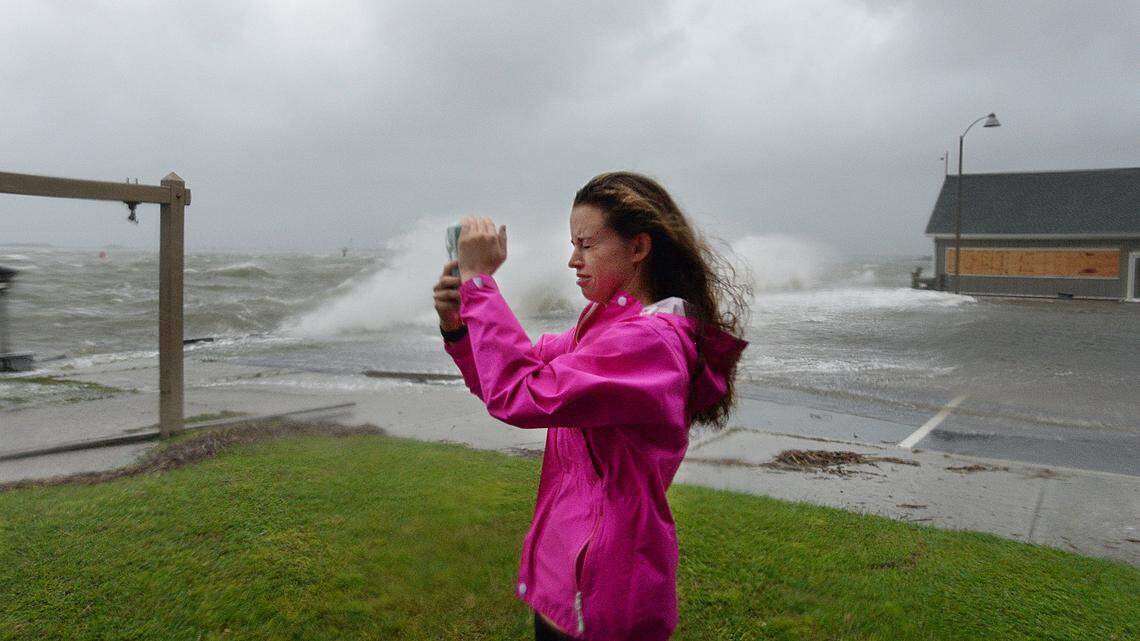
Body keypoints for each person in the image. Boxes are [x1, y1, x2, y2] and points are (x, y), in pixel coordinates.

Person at [432, 172, 749, 640]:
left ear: (638, 248)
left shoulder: (650, 342)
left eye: (586, 244)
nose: (572, 260)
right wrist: (460, 328)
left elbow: (519, 394)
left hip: (604, 591)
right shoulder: (605, 329)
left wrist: (481, 284)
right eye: (572, 244)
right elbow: (513, 374)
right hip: (570, 578)